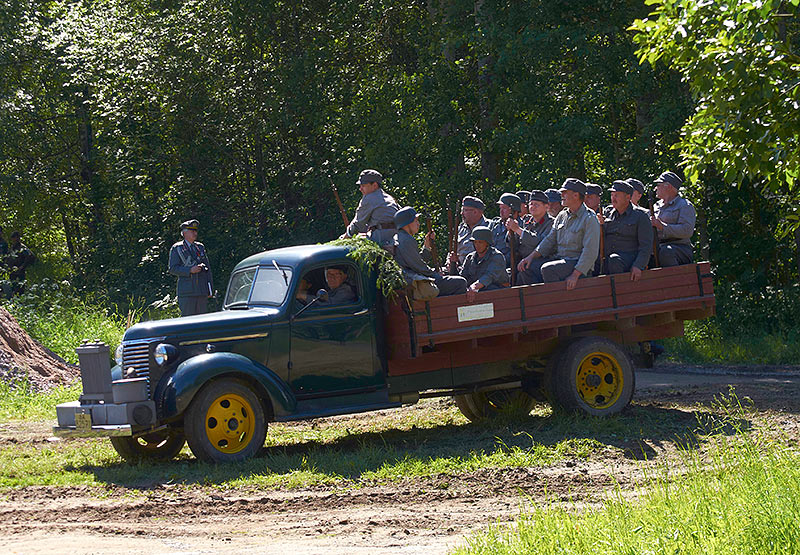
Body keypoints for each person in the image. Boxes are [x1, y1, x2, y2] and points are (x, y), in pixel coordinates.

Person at [517, 179, 600, 290]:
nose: (562, 195)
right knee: (527, 267)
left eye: (565, 192)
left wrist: (575, 274)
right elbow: (549, 240)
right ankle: (538, 300)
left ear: (576, 195)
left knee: (548, 269)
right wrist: (531, 257)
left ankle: (555, 303)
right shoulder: (562, 216)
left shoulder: (589, 218)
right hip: (560, 259)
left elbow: (590, 252)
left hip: (576, 263)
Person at [393, 207, 467, 296]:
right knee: (461, 282)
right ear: (406, 224)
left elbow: (416, 262)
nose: (418, 224)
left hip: (413, 279)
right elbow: (419, 267)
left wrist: (427, 247)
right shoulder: (407, 240)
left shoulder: (400, 237)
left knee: (446, 273)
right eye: (415, 221)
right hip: (417, 282)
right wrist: (436, 275)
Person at [602, 181, 652, 281]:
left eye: (616, 195)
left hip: (629, 258)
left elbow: (646, 245)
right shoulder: (608, 213)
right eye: (612, 195)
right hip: (608, 258)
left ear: (628, 197)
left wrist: (638, 265)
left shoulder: (640, 216)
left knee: (614, 260)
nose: (613, 198)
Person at [341, 169, 399, 250]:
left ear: (374, 185)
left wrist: (346, 236)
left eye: (363, 185)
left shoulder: (369, 198)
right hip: (396, 237)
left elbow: (358, 224)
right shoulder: (389, 198)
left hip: (380, 240)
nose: (360, 189)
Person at [168, 219, 214, 317]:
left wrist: (209, 289)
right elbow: (172, 268)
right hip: (187, 293)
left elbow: (208, 270)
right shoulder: (177, 248)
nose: (195, 233)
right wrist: (189, 270)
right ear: (184, 233)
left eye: (195, 230)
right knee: (188, 321)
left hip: (201, 291)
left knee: (202, 321)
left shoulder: (200, 247)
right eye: (191, 230)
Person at [651, 171, 696, 267]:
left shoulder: (684, 205)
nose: (656, 188)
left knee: (666, 252)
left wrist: (662, 226)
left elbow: (687, 231)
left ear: (668, 187)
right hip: (658, 247)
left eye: (659, 185)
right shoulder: (656, 206)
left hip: (680, 247)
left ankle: (676, 281)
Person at [460, 226, 508, 302]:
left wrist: (474, 287)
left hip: (499, 295)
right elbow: (463, 277)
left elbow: (489, 276)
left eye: (480, 242)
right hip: (476, 293)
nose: (477, 245)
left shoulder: (497, 256)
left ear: (487, 243)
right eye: (475, 242)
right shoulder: (470, 257)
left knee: (488, 289)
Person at [505, 190, 554, 260]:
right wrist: (511, 232)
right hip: (521, 258)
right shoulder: (526, 220)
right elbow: (512, 245)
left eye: (536, 204)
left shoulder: (551, 223)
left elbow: (540, 244)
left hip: (540, 259)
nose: (532, 207)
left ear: (546, 207)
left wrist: (518, 230)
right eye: (531, 204)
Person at [448, 195, 490, 267]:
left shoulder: (489, 227)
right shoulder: (461, 228)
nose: (462, 213)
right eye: (462, 210)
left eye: (465, 210)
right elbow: (452, 250)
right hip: (457, 269)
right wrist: (449, 262)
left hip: (478, 270)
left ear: (475, 212)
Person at [490, 193, 523, 267]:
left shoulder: (521, 226)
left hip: (506, 265)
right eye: (500, 208)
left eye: (504, 208)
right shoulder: (495, 224)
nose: (501, 211)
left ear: (514, 210)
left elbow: (517, 249)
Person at [6, 231, 36, 297]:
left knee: (20, 289)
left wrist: (22, 266)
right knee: (13, 289)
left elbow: (31, 256)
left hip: (19, 272)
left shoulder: (22, 247)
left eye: (16, 237)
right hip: (12, 272)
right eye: (13, 237)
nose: (14, 239)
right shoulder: (12, 248)